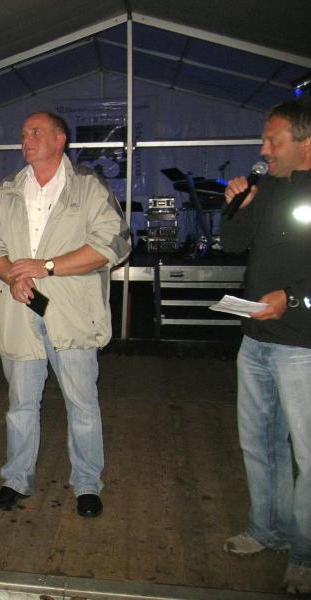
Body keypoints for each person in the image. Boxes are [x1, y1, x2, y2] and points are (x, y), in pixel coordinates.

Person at [0, 111, 130, 517]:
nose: (26, 139)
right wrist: (11, 275)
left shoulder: (89, 187)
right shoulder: (5, 191)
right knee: (20, 406)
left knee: (82, 405)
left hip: (72, 314)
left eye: (36, 132)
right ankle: (16, 479)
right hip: (19, 312)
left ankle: (87, 484)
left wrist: (47, 267)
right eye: (23, 133)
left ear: (61, 139)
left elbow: (113, 244)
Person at [220, 100, 311, 595]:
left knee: (308, 457)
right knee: (259, 443)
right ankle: (267, 529)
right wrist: (238, 203)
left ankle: (305, 555)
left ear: (306, 143)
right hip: (255, 340)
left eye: (273, 140)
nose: (263, 149)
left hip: (303, 347)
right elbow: (233, 243)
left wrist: (292, 300)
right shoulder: (269, 186)